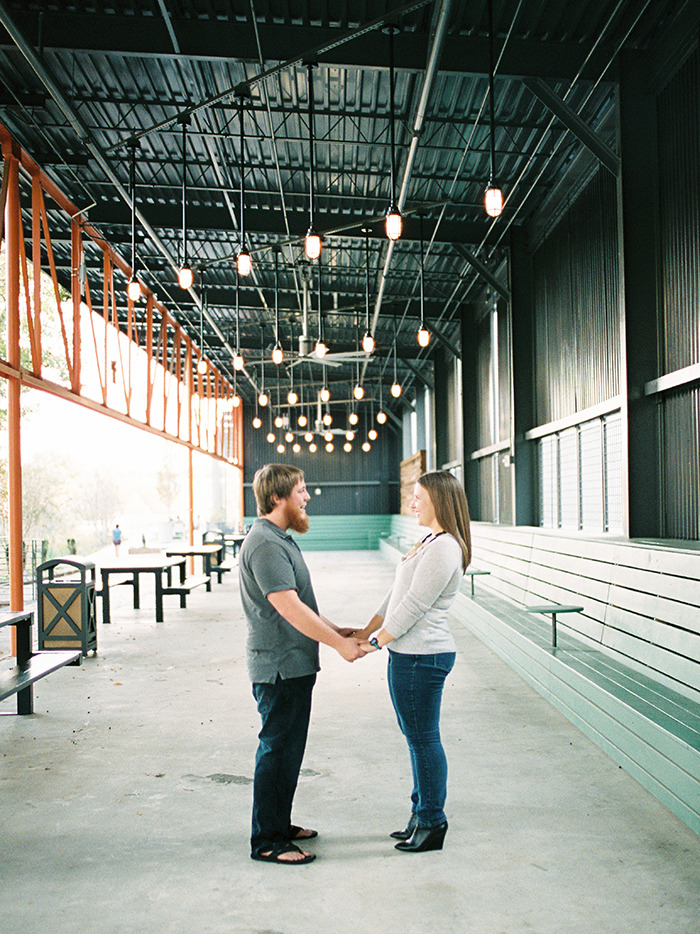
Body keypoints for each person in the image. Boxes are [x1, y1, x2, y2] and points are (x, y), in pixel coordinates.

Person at [239, 464, 364, 865]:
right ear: (278, 497)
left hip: (294, 664)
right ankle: (268, 840)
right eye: (301, 490)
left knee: (289, 750)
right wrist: (337, 647)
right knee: (277, 749)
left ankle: (280, 821)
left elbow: (304, 606)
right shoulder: (265, 544)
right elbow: (288, 608)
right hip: (279, 665)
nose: (307, 496)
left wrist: (337, 630)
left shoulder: (280, 539)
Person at [355, 470, 471, 853]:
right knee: (416, 738)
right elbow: (396, 594)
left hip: (424, 657)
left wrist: (374, 643)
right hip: (407, 655)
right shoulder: (429, 541)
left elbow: (415, 607)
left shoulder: (445, 548)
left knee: (423, 740)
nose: (413, 504)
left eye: (419, 497)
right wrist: (366, 629)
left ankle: (432, 821)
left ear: (439, 500)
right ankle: (420, 813)